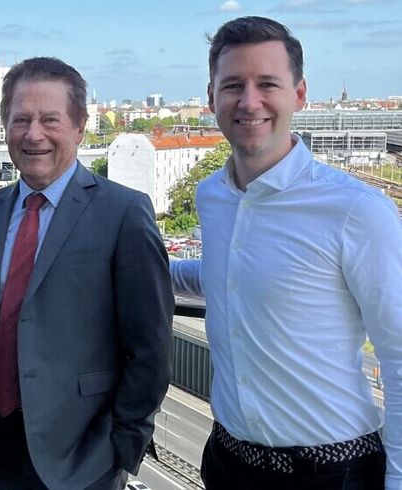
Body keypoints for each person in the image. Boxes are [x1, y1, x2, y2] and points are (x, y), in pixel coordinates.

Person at [171, 16, 401, 489]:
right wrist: (139, 266)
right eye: (233, 84)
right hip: (227, 461)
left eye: (267, 83)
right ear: (211, 97)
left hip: (331, 471)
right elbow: (227, 274)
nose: (249, 101)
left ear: (299, 94)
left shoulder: (356, 210)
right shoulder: (212, 195)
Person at [0, 57, 174, 490]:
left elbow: (150, 346)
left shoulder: (123, 213)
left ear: (80, 126)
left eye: (50, 119)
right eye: (20, 120)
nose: (33, 134)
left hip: (82, 459)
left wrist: (121, 450)